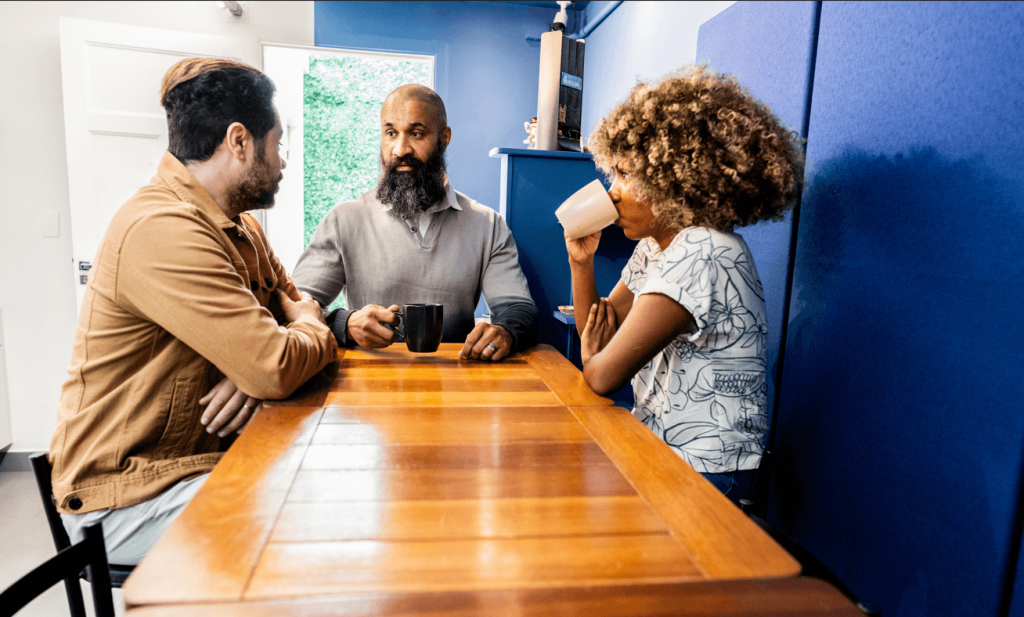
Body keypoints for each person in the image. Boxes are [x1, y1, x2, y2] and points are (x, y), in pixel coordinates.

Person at [49, 58, 338, 564]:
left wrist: (258, 368)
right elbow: (279, 356)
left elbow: (280, 336)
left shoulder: (242, 226)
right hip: (128, 495)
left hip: (196, 464)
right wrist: (275, 356)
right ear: (239, 141)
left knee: (328, 487)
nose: (283, 163)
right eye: (278, 146)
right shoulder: (161, 228)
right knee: (315, 523)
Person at [566, 66, 803, 505]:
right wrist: (581, 264)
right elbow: (598, 329)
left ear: (674, 179)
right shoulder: (656, 246)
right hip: (663, 447)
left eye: (626, 175)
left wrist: (595, 357)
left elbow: (603, 374)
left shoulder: (702, 250)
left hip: (708, 469)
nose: (612, 192)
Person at [292, 84, 538, 362]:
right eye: (391, 133)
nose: (400, 149)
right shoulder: (343, 220)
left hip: (456, 379)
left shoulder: (488, 225)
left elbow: (517, 307)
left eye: (416, 133)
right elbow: (293, 306)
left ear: (444, 138)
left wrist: (505, 331)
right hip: (368, 381)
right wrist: (345, 324)